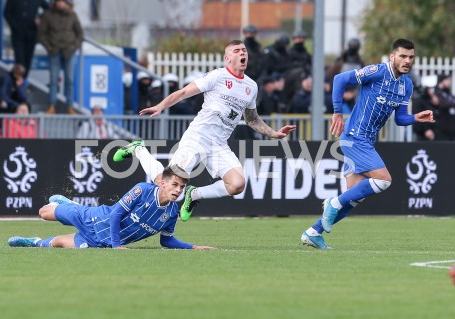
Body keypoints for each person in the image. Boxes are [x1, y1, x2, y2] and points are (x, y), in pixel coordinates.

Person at [115, 40, 296, 221]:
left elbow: (252, 119)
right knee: (167, 182)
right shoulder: (217, 76)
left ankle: (194, 195)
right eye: (237, 51)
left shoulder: (251, 86)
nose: (242, 53)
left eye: (244, 50)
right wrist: (161, 106)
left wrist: (274, 133)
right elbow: (184, 92)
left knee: (237, 184)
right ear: (227, 58)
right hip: (197, 137)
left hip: (219, 144)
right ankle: (138, 149)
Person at [300, 39, 435, 249]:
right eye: (402, 56)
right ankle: (331, 203)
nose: (407, 61)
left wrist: (416, 118)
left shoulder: (405, 84)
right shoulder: (377, 72)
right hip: (354, 136)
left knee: (352, 199)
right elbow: (339, 79)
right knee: (384, 180)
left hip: (367, 141)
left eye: (410, 57)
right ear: (392, 57)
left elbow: (400, 119)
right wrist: (337, 112)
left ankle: (313, 232)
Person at [7, 166, 215, 250]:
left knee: (57, 244)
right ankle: (70, 205)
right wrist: (117, 245)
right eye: (175, 185)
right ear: (163, 183)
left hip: (99, 241)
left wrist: (193, 247)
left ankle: (32, 242)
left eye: (182, 187)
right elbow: (116, 213)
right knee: (44, 212)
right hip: (93, 218)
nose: (178, 190)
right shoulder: (142, 190)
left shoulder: (171, 213)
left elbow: (166, 240)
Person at [38, 0, 83, 114]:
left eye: (63, 1)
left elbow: (80, 33)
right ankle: (52, 106)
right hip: (54, 51)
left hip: (69, 51)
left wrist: (74, 46)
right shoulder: (48, 15)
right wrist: (48, 47)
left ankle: (70, 107)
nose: (60, 4)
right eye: (58, 1)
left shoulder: (72, 15)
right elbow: (41, 33)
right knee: (53, 80)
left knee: (70, 80)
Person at [4, 0, 49, 77]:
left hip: (31, 34)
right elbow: (6, 13)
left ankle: (23, 82)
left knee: (28, 59)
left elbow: (48, 9)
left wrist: (40, 18)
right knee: (19, 60)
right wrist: (14, 26)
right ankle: (17, 82)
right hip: (17, 34)